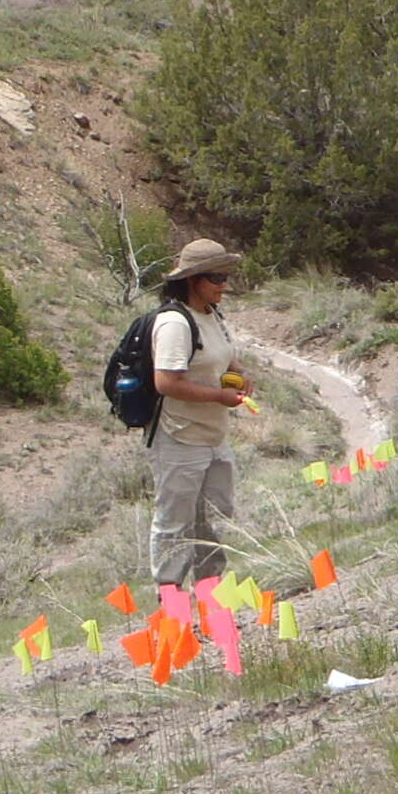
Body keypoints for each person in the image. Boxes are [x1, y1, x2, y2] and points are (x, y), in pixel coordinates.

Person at [147, 239, 251, 593]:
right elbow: (166, 382)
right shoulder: (175, 323)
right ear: (193, 280)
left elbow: (224, 357)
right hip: (180, 437)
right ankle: (173, 609)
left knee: (215, 521)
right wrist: (220, 396)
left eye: (225, 277)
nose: (224, 285)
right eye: (216, 278)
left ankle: (210, 602)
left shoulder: (211, 314)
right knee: (175, 524)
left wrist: (238, 375)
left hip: (213, 436)